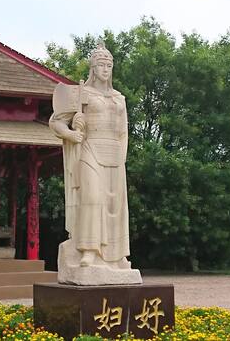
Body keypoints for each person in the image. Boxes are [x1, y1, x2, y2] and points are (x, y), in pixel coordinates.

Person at [50, 44, 138, 283]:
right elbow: (56, 121)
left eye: (109, 65)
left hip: (115, 153)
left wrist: (122, 156)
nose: (105, 69)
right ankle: (89, 250)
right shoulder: (81, 94)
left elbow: (124, 132)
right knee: (92, 199)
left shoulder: (119, 98)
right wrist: (70, 134)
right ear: (92, 67)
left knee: (116, 205)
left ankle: (117, 256)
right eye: (101, 64)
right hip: (90, 150)